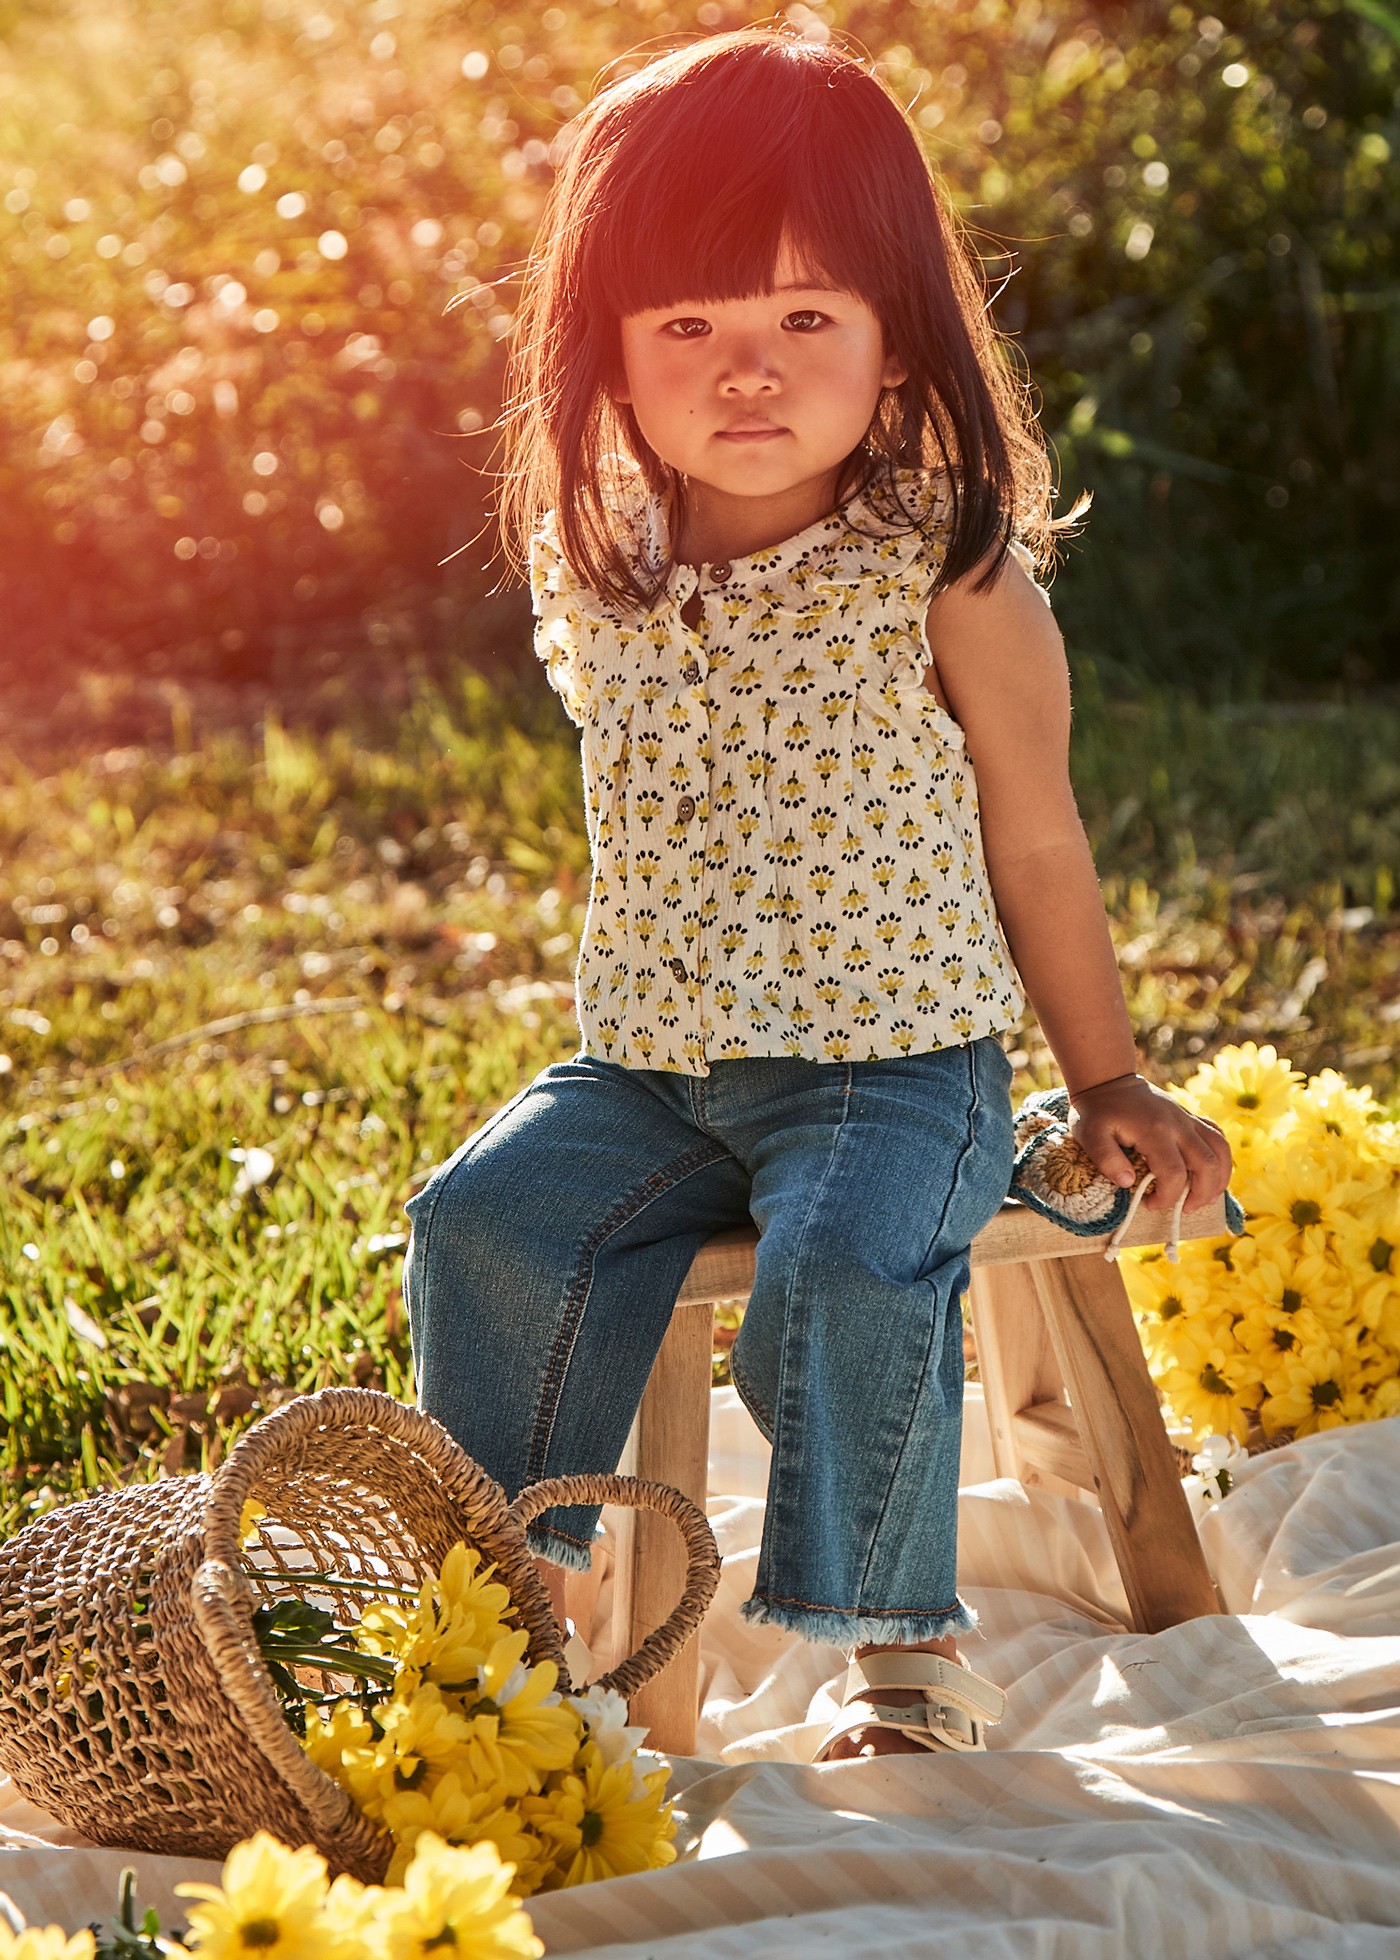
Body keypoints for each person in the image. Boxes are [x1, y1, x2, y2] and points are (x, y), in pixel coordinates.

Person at [404, 28, 1232, 1761]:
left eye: (806, 320)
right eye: (687, 326)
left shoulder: (942, 561)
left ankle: (896, 1640)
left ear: (894, 336)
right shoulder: (605, 555)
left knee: (848, 1267)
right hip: (653, 1067)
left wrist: (1106, 1079)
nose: (749, 372)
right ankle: (503, 1600)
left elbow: (1039, 836)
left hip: (892, 1062)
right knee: (477, 1218)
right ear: (609, 356)